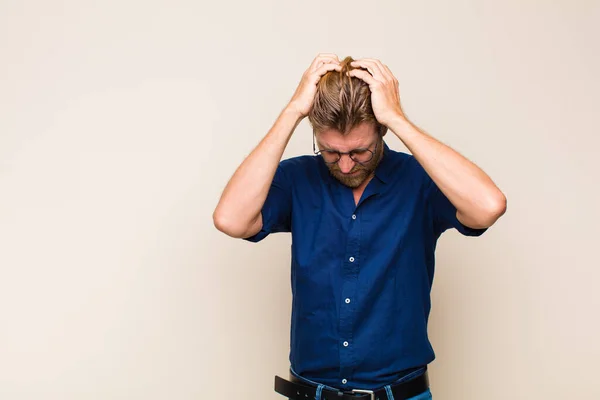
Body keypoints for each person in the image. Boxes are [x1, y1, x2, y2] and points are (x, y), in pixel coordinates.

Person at [213, 53, 507, 400]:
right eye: (331, 152)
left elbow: (489, 206)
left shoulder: (421, 181)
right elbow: (230, 219)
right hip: (309, 391)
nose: (347, 165)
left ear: (381, 131)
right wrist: (293, 110)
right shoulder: (298, 179)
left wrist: (398, 119)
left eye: (360, 151)